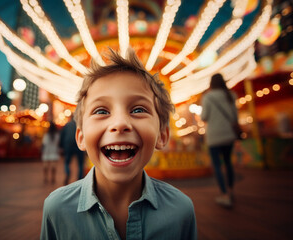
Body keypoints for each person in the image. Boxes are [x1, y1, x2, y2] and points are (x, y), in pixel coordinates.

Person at [40, 48, 197, 240]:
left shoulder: (181, 210)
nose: (120, 123)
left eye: (138, 109)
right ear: (80, 137)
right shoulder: (56, 209)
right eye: (101, 111)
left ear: (162, 135)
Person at [201, 73, 238, 208]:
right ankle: (231, 190)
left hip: (214, 136)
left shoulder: (208, 97)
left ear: (211, 83)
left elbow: (204, 116)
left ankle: (224, 194)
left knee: (217, 166)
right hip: (229, 134)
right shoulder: (231, 95)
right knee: (228, 163)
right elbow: (235, 116)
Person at [59, 115, 85, 185]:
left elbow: (62, 136)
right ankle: (80, 179)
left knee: (67, 162)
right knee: (80, 164)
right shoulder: (81, 125)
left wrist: (61, 146)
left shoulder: (67, 125)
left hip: (68, 146)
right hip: (79, 145)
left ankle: (67, 172)